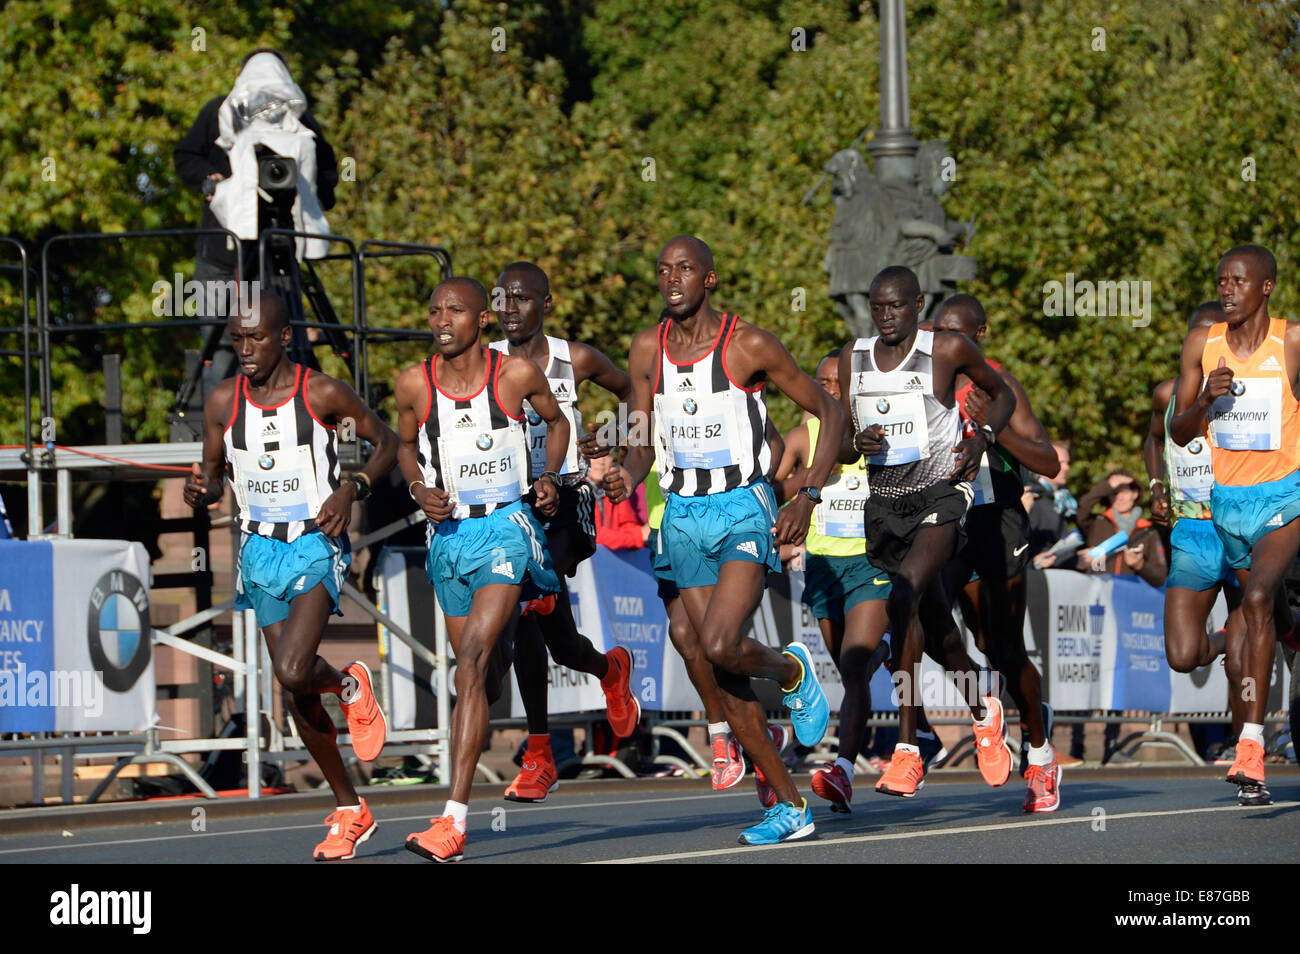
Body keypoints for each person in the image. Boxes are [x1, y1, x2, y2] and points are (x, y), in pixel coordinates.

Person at [604, 235, 842, 844]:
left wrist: (808, 494)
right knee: (720, 663)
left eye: (685, 269)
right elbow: (639, 440)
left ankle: (791, 669)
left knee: (716, 641)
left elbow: (830, 414)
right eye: (663, 270)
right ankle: (791, 808)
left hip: (743, 506)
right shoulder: (644, 350)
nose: (672, 278)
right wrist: (621, 476)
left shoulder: (749, 344)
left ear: (708, 279)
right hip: (681, 513)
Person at [183, 290, 395, 860]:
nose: (245, 350)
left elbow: (387, 442)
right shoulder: (222, 402)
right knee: (296, 690)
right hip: (258, 551)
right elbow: (209, 479)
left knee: (293, 667)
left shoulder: (320, 391)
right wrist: (199, 491)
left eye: (256, 338)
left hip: (313, 543)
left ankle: (349, 684)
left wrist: (352, 488)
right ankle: (351, 808)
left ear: (283, 337)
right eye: (237, 339)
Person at [397, 277, 568, 863]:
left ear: (482, 320)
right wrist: (419, 486)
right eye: (434, 310)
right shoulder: (412, 384)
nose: (442, 320)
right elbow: (403, 445)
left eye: (455, 311)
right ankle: (526, 614)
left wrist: (546, 475)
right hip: (447, 537)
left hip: (505, 527)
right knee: (481, 678)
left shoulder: (514, 375)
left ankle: (452, 820)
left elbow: (559, 422)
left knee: (468, 665)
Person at [840, 266, 1013, 798]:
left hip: (942, 495)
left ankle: (908, 749)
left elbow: (1000, 394)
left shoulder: (946, 350)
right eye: (878, 306)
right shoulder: (857, 357)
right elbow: (846, 446)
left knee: (905, 594)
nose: (886, 316)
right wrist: (860, 444)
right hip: (886, 505)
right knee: (938, 633)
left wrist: (982, 438)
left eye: (896, 306)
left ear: (918, 305)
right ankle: (984, 701)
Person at [487, 262, 639, 803]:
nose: (510, 309)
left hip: (569, 503)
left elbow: (631, 393)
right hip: (515, 507)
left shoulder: (574, 358)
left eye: (522, 299)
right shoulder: (485, 366)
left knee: (529, 600)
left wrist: (611, 442)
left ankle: (539, 752)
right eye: (501, 299)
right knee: (555, 640)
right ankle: (608, 669)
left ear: (545, 304)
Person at [1170, 244, 1300, 799]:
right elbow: (1178, 431)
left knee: (1256, 602)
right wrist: (1204, 402)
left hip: (1285, 497)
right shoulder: (1203, 344)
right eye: (1221, 280)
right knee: (1272, 615)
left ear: (1265, 287)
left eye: (1239, 281)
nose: (1227, 290)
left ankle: (1250, 745)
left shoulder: (1290, 341)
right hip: (1227, 505)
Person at [926, 295, 1064, 810]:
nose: (948, 344)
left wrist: (996, 429)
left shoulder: (1000, 386)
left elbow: (1048, 462)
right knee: (920, 609)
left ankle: (1041, 751)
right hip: (947, 520)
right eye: (940, 333)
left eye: (958, 334)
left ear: (979, 337)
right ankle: (985, 711)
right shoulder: (927, 380)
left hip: (996, 521)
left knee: (1001, 647)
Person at [173, 49, 338, 384]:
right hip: (222, 251)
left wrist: (313, 197)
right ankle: (222, 420)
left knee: (285, 337)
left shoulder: (300, 121)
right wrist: (212, 181)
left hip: (279, 253)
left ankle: (291, 411)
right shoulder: (219, 113)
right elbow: (185, 156)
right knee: (220, 341)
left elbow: (327, 173)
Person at [773, 348, 891, 813]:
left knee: (854, 664)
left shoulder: (874, 433)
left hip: (868, 564)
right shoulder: (804, 436)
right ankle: (889, 650)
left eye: (839, 383)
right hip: (822, 567)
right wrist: (805, 483)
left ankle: (842, 769)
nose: (831, 390)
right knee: (849, 668)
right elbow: (771, 486)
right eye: (822, 383)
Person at [1074, 471, 1167, 584]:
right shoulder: (1096, 523)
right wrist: (1107, 485)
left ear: (1135, 493)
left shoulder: (1148, 531)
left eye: (1124, 491)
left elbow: (1160, 577)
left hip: (1130, 597)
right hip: (1098, 596)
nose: (1120, 497)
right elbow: (1082, 508)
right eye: (1114, 492)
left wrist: (1140, 566)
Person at [589, 453, 646, 550]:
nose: (601, 460)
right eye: (593, 455)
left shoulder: (615, 487)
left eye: (606, 455)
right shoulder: (574, 491)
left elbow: (628, 523)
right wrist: (639, 536)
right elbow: (592, 535)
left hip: (607, 561)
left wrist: (643, 534)